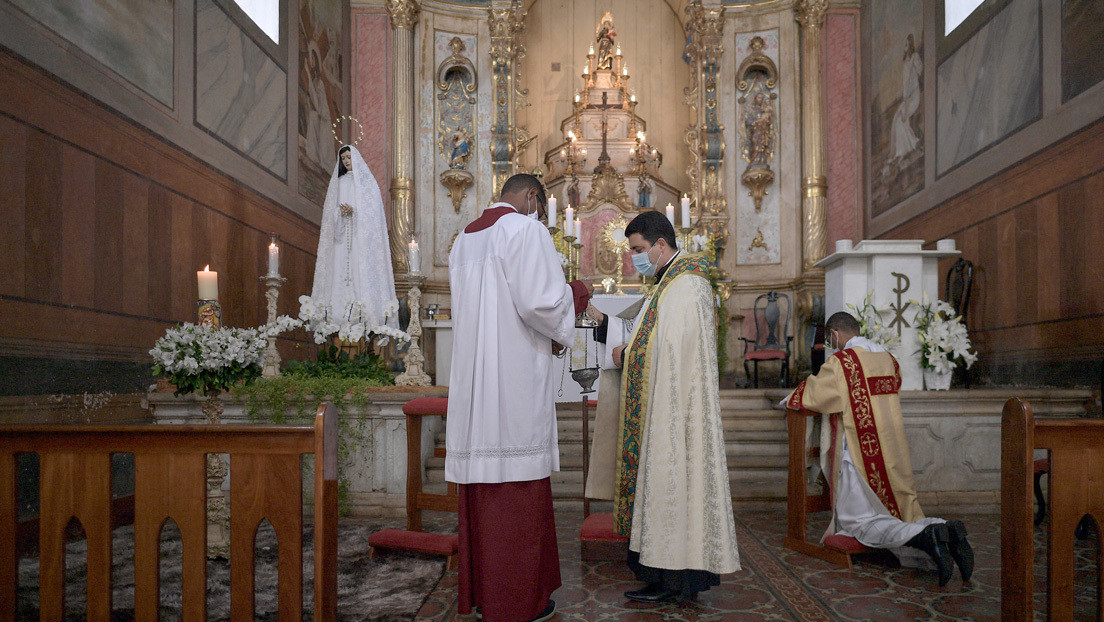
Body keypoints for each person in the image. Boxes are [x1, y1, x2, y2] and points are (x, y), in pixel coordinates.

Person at [446, 173, 594, 622]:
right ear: (532, 198)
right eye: (542, 209)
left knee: (483, 491)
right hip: (511, 386)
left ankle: (485, 596)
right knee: (518, 493)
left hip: (476, 387)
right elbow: (541, 304)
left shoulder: (463, 242)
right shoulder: (524, 229)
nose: (541, 218)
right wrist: (579, 294)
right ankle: (515, 602)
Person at [585, 210, 740, 603]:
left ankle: (674, 579)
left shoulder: (686, 285)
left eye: (638, 249)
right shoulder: (668, 282)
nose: (634, 257)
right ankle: (659, 575)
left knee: (674, 484)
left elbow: (669, 349)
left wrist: (627, 355)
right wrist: (610, 332)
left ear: (659, 244)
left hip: (678, 411)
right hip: (663, 404)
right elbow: (648, 333)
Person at [784, 311, 974, 587]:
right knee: (900, 510)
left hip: (861, 456)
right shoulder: (888, 359)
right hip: (891, 451)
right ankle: (945, 527)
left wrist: (791, 398)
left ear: (835, 334)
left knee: (859, 524)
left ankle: (927, 537)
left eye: (829, 338)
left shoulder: (844, 362)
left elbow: (818, 395)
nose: (829, 344)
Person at [305, 145, 398, 338]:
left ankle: (363, 315)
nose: (347, 161)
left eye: (349, 157)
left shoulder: (367, 183)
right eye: (343, 158)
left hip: (359, 241)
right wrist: (340, 212)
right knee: (339, 271)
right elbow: (329, 214)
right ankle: (336, 318)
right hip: (340, 241)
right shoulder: (337, 183)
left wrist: (355, 211)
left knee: (358, 271)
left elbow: (374, 217)